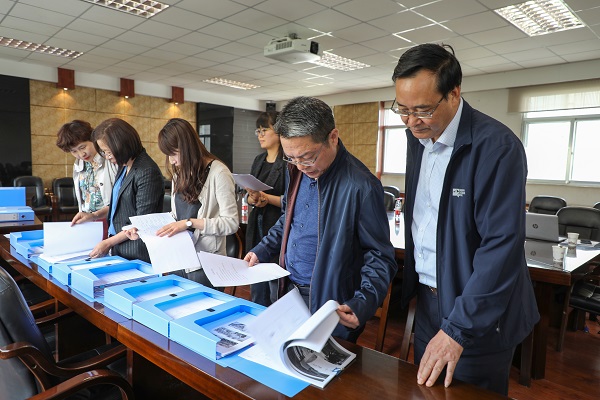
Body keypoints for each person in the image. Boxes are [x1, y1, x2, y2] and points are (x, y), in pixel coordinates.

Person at [391, 43, 539, 395]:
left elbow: (501, 247)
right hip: (429, 302)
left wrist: (459, 328)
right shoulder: (417, 137)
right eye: (403, 110)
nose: (411, 121)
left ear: (454, 94)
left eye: (422, 109)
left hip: (477, 312)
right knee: (427, 391)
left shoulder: (497, 147)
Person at [244, 96, 397, 342]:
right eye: (291, 157)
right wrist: (262, 249)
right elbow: (289, 219)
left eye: (307, 157)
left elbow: (379, 255)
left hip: (330, 301)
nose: (300, 166)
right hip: (287, 289)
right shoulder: (296, 169)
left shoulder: (361, 185)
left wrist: (363, 302)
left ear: (332, 137)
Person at [145, 118, 238, 288]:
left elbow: (231, 223)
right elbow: (176, 216)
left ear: (186, 147)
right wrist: (148, 227)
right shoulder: (178, 175)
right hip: (178, 258)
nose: (171, 161)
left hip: (206, 263)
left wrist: (189, 223)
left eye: (173, 154)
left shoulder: (219, 173)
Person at [73, 118, 163, 263]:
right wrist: (93, 215)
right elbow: (118, 205)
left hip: (137, 250)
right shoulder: (124, 165)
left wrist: (108, 243)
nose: (107, 157)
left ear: (123, 145)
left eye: (109, 152)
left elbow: (143, 222)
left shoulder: (146, 171)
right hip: (120, 246)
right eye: (104, 152)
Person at [245, 111, 285, 306]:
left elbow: (293, 202)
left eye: (264, 130)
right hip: (257, 226)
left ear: (278, 131)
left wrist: (267, 198)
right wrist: (252, 198)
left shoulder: (288, 162)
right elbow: (251, 194)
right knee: (256, 284)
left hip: (277, 228)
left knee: (275, 288)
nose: (260, 135)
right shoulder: (258, 160)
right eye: (258, 131)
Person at [55, 120, 117, 223]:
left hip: (110, 218)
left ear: (93, 139)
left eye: (82, 147)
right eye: (74, 151)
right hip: (89, 220)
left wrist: (95, 215)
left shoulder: (110, 160)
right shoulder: (78, 165)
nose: (81, 154)